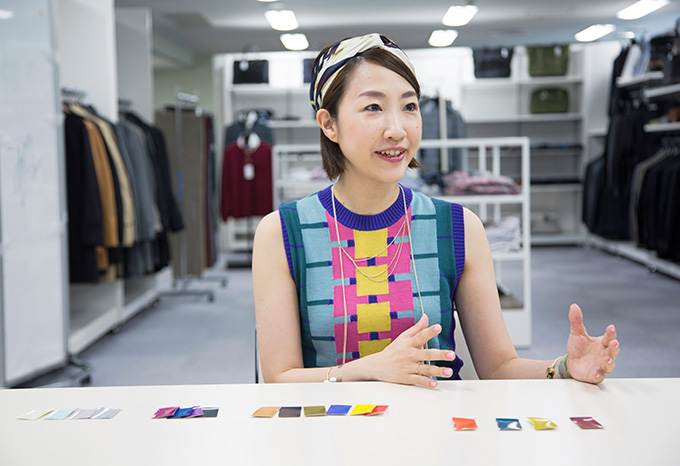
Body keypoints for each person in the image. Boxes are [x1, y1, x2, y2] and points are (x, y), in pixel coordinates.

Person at [252, 33, 620, 388]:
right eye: (373, 107)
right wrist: (368, 370)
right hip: (331, 426)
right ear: (329, 124)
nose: (397, 129)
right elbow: (280, 377)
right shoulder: (282, 232)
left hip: (436, 425)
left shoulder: (458, 227)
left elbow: (499, 367)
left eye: (409, 106)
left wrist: (563, 369)